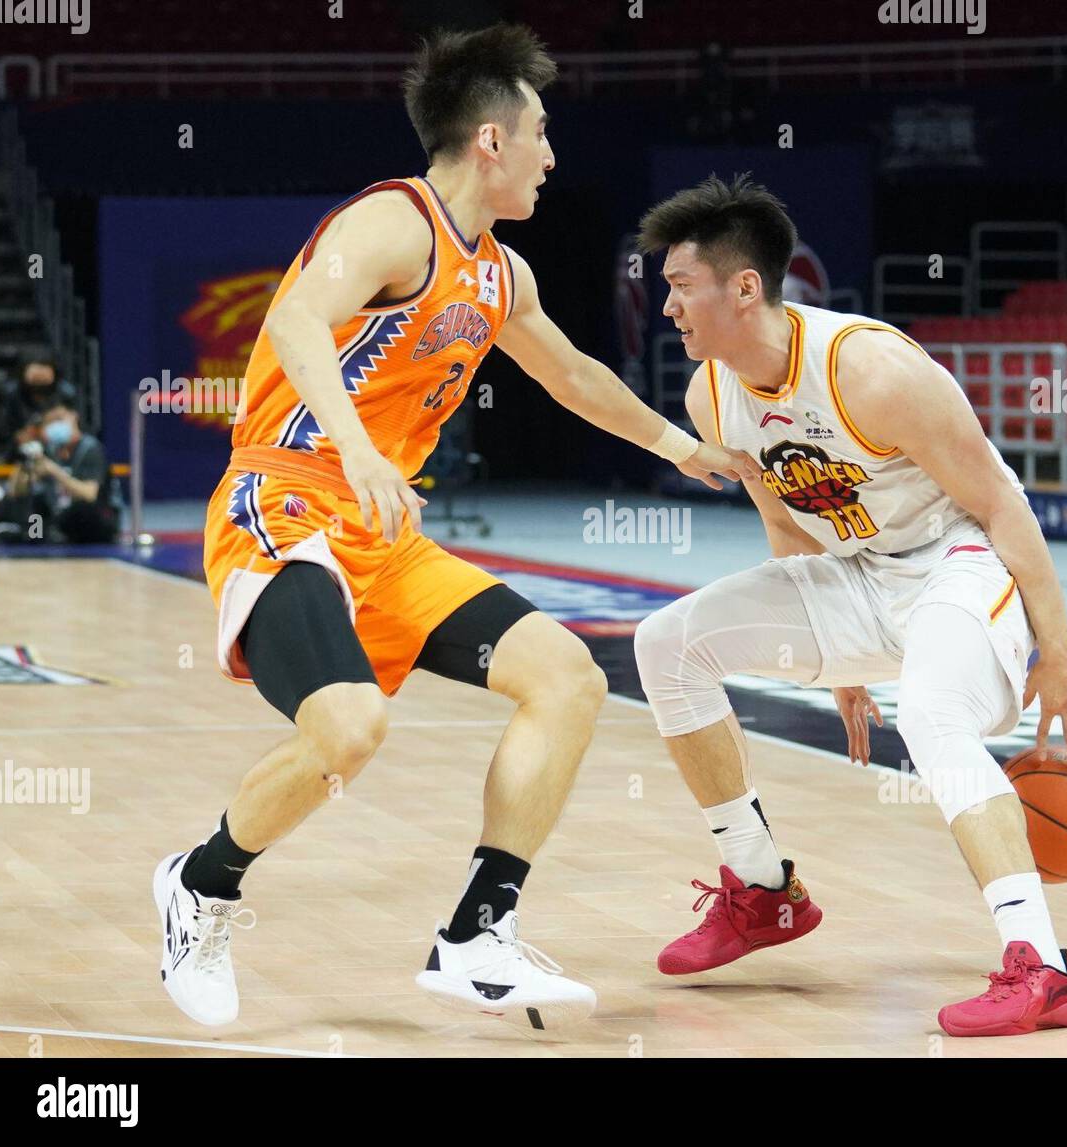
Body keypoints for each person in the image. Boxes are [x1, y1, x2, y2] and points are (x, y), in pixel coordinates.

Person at [155, 25, 756, 1032]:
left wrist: (680, 446)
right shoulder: (396, 221)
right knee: (348, 728)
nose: (552, 155)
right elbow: (295, 321)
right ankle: (201, 886)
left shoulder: (499, 274)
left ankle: (477, 931)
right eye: (541, 132)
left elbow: (570, 376)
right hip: (287, 500)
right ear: (490, 138)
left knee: (565, 676)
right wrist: (353, 446)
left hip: (383, 532)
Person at [632, 174, 1067, 1037]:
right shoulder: (711, 392)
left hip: (961, 565)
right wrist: (834, 666)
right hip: (861, 574)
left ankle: (1045, 967)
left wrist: (1058, 648)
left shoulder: (871, 369)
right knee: (665, 643)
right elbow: (781, 513)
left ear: (743, 286)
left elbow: (1001, 503)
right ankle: (762, 888)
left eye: (678, 284)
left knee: (929, 711)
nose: (667, 307)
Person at [0, 402, 116, 544]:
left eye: (59, 418)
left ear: (74, 416)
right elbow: (15, 492)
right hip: (59, 522)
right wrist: (25, 460)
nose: (56, 425)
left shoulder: (90, 448)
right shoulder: (50, 450)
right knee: (34, 505)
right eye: (50, 422)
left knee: (81, 511)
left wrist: (54, 470)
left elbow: (89, 494)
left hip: (91, 524)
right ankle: (27, 537)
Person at [1, 353, 79, 462]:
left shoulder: (65, 394)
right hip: (22, 450)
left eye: (43, 377)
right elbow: (12, 431)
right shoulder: (14, 395)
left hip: (59, 449)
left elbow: (74, 432)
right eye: (35, 378)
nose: (39, 381)